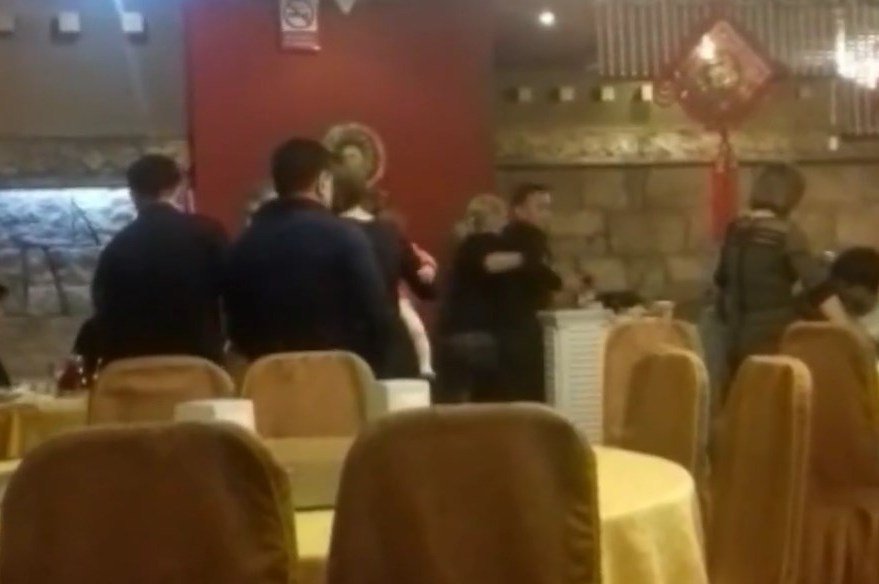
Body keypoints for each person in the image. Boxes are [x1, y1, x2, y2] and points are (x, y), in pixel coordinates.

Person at [224, 139, 392, 374]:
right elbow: (377, 317)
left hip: (269, 382)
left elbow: (236, 328)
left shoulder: (244, 244)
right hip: (337, 381)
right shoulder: (346, 236)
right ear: (323, 182)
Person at [714, 164, 848, 384]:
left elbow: (721, 280)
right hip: (774, 338)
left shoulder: (735, 229)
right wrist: (847, 329)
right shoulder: (785, 232)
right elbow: (818, 288)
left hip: (733, 338)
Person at [92, 155, 226, 364]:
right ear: (177, 187)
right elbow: (231, 297)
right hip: (199, 367)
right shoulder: (209, 233)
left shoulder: (117, 247)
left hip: (134, 369)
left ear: (133, 194)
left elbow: (102, 311)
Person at [332, 171, 434, 377]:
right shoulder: (389, 231)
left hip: (341, 345)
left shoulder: (327, 231)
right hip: (390, 342)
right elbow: (426, 288)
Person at [437, 194, 526, 403]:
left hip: (456, 333)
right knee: (488, 402)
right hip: (478, 334)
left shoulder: (465, 245)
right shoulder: (483, 242)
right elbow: (490, 263)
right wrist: (529, 257)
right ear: (495, 218)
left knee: (460, 400)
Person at [495, 184, 562, 402]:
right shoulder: (529, 237)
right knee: (530, 388)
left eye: (548, 208)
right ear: (519, 211)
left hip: (508, 323)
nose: (546, 214)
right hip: (521, 323)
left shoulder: (507, 236)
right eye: (540, 207)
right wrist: (562, 283)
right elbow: (540, 272)